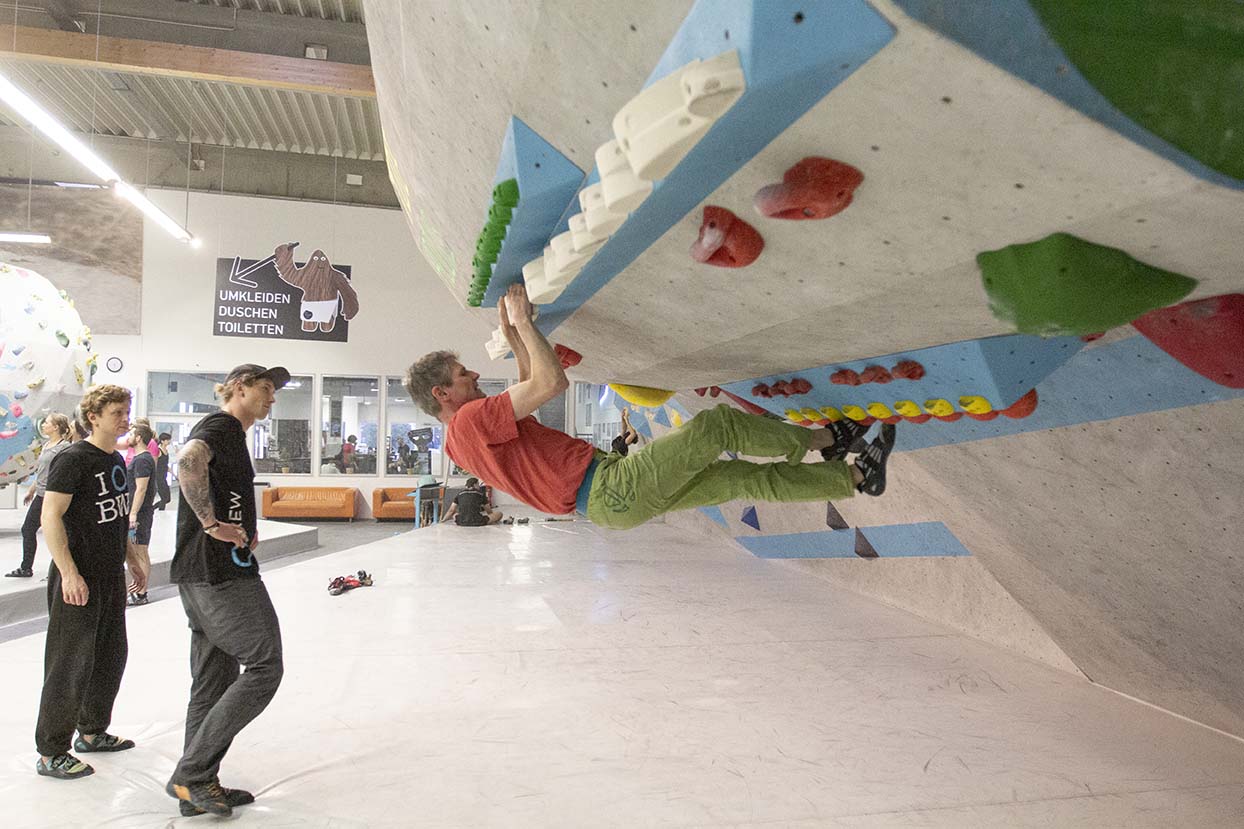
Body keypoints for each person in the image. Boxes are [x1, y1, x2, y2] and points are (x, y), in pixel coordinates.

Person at [404, 284, 896, 531]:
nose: (471, 375)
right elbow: (551, 383)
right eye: (460, 375)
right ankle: (830, 439)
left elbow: (528, 391)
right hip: (610, 487)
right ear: (442, 395)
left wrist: (516, 335)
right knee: (717, 426)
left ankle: (853, 479)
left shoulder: (463, 439)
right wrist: (524, 326)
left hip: (609, 503)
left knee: (744, 479)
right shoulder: (468, 420)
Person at [164, 364, 289, 818]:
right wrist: (211, 524)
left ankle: (197, 787)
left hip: (206, 571)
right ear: (238, 388)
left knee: (213, 681)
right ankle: (192, 774)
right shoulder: (219, 426)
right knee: (264, 665)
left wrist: (242, 528)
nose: (271, 398)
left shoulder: (235, 435)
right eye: (264, 388)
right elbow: (188, 461)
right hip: (217, 575)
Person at [33, 385, 149, 779]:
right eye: (117, 411)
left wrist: (132, 557)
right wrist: (68, 572)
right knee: (69, 663)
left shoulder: (116, 458)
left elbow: (116, 516)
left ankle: (93, 730)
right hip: (77, 576)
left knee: (110, 655)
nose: (124, 418)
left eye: (126, 411)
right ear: (93, 416)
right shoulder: (72, 459)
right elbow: (51, 517)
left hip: (108, 574)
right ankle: (51, 751)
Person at [6, 413, 72, 579]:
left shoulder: (63, 448)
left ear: (56, 427)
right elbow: (42, 471)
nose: (43, 425)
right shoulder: (47, 444)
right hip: (41, 495)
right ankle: (26, 567)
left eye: (47, 423)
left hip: (53, 496)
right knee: (28, 529)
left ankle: (59, 569)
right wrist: (32, 490)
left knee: (58, 532)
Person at [124, 423, 158, 607]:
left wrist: (133, 514)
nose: (128, 436)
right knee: (136, 551)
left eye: (131, 433)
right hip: (137, 512)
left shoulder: (143, 460)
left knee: (140, 551)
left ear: (138, 438)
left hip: (141, 514)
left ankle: (141, 592)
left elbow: (141, 488)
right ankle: (138, 590)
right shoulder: (140, 459)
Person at [154, 433, 173, 511]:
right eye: (167, 440)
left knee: (167, 498)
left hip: (164, 477)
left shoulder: (166, 451)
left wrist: (174, 474)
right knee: (164, 497)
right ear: (162, 441)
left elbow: (165, 465)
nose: (169, 441)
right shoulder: (158, 451)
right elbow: (155, 463)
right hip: (158, 477)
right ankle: (158, 510)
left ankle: (152, 508)